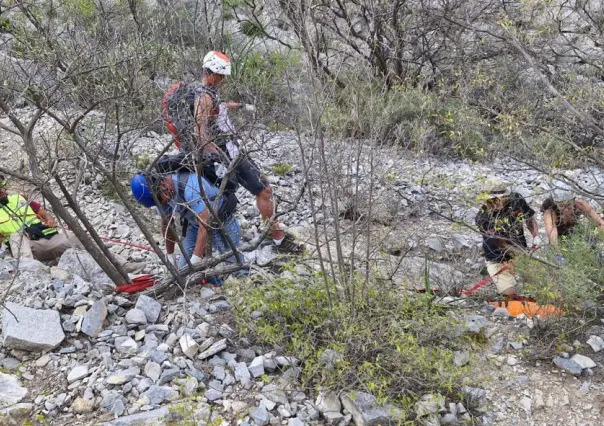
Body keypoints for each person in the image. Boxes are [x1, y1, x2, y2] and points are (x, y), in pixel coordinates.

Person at [167, 50, 303, 253]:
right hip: (226, 153)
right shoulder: (204, 97)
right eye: (221, 76)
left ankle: (268, 234)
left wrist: (240, 106)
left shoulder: (203, 91)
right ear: (213, 73)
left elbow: (217, 107)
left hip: (226, 150)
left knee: (255, 190)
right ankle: (277, 239)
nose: (223, 80)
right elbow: (200, 132)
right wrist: (219, 156)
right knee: (264, 189)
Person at [130, 170, 245, 282]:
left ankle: (245, 283)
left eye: (160, 200)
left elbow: (205, 225)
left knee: (235, 264)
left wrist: (196, 258)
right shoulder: (160, 196)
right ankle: (208, 277)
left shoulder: (190, 188)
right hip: (196, 224)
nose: (162, 203)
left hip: (221, 219)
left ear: (163, 184)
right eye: (158, 203)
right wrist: (170, 255)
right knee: (183, 269)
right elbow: (167, 224)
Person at [475, 181, 541, 296]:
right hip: (498, 258)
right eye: (488, 201)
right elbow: (502, 244)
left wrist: (536, 237)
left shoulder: (516, 200)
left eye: (495, 200)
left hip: (520, 252)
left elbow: (529, 218)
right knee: (510, 294)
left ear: (505, 196)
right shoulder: (483, 218)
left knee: (541, 287)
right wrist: (521, 255)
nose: (492, 204)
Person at [0, 175, 83, 261]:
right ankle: (27, 268)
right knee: (16, 235)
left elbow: (45, 214)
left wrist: (50, 220)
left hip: (49, 239)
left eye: (2, 187)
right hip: (29, 247)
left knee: (75, 237)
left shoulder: (18, 198)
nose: (1, 191)